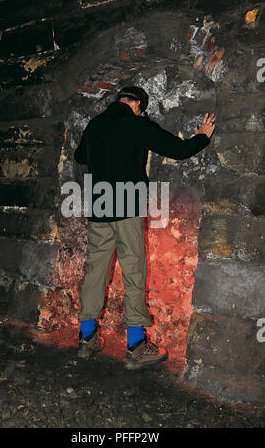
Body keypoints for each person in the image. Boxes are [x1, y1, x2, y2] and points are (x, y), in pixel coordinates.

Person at [74, 86, 215, 370]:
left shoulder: (95, 124)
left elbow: (79, 157)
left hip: (99, 205)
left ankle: (87, 337)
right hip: (125, 205)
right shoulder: (136, 124)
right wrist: (201, 136)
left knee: (95, 270)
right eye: (141, 109)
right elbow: (178, 149)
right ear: (137, 104)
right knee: (134, 270)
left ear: (120, 101)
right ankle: (136, 346)